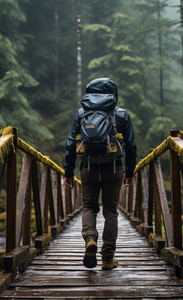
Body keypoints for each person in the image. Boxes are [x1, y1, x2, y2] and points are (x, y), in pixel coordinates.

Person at [64, 77, 137, 270]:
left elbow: (71, 143)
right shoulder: (121, 114)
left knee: (89, 207)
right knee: (110, 211)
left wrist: (68, 172)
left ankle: (90, 239)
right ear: (113, 94)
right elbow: (131, 146)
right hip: (114, 169)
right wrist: (130, 172)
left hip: (88, 168)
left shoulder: (81, 114)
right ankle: (107, 258)